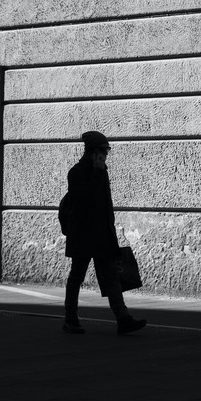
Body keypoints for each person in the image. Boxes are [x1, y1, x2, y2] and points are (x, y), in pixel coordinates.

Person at [63, 130, 146, 335]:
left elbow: (105, 206)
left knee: (111, 276)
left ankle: (123, 318)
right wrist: (97, 172)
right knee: (77, 277)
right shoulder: (76, 173)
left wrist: (111, 231)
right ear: (92, 152)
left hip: (102, 235)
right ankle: (70, 319)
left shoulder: (102, 172)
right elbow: (86, 200)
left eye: (107, 151)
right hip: (83, 235)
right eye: (103, 151)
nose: (106, 155)